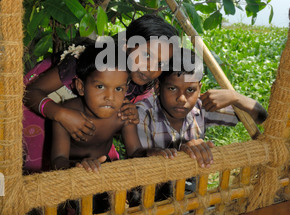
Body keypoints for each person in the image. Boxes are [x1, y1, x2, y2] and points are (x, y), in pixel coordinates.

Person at [23, 14, 178, 172]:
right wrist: (61, 114)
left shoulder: (141, 85)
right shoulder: (83, 64)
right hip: (38, 115)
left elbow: (114, 126)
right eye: (146, 55)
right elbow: (30, 93)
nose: (151, 68)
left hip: (85, 141)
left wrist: (131, 115)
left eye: (160, 63)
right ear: (125, 45)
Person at [136, 48, 268, 168]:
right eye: (172, 88)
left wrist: (236, 97)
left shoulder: (202, 108)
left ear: (199, 89)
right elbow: (137, 158)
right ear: (158, 87)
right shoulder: (144, 113)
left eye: (190, 90)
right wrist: (179, 155)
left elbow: (260, 117)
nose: (182, 99)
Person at [50, 43, 142, 172]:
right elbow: (58, 160)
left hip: (104, 174)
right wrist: (79, 166)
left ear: (126, 90)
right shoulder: (66, 115)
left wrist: (152, 153)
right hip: (71, 177)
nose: (110, 97)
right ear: (81, 87)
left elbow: (136, 151)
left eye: (118, 89)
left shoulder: (124, 113)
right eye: (100, 87)